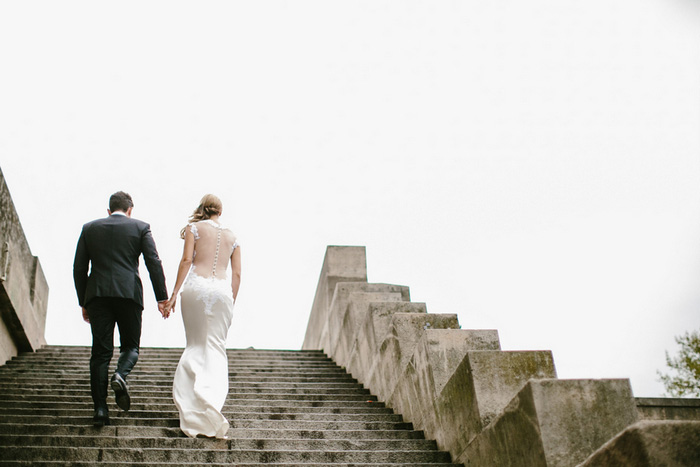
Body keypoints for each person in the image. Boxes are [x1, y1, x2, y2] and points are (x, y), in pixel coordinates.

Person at [73, 191, 169, 427]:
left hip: (98, 296)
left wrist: (84, 301)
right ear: (130, 210)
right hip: (129, 295)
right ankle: (120, 375)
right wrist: (162, 297)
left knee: (100, 353)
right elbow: (153, 262)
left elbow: (78, 268)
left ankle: (100, 410)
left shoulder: (89, 228)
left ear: (109, 210)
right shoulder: (141, 227)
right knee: (131, 346)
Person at [163, 194, 241, 439]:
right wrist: (231, 302)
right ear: (220, 210)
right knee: (216, 348)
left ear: (203, 209)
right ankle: (212, 406)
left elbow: (187, 260)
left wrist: (174, 293)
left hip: (196, 289)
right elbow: (237, 274)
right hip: (221, 293)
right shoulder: (233, 237)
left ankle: (193, 409)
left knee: (195, 345)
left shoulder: (193, 228)